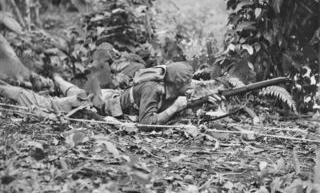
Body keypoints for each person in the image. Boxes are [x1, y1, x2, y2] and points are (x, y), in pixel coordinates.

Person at [0, 62, 198, 125]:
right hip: (93, 104)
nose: (191, 85)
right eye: (187, 82)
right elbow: (146, 124)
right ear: (177, 83)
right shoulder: (152, 89)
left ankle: (56, 78)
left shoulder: (170, 87)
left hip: (105, 97)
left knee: (74, 91)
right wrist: (174, 109)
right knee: (45, 102)